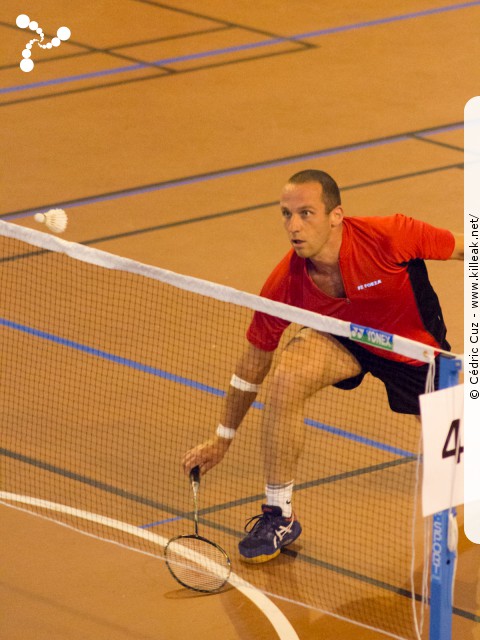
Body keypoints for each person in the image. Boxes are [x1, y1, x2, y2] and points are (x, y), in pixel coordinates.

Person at [182, 169, 464, 564]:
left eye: (306, 213)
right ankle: (280, 513)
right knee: (286, 378)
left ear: (336, 215)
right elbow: (253, 364)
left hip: (409, 348)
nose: (294, 227)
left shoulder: (390, 234)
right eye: (286, 214)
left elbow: (465, 247)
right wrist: (222, 438)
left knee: (464, 463)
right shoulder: (286, 283)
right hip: (343, 338)